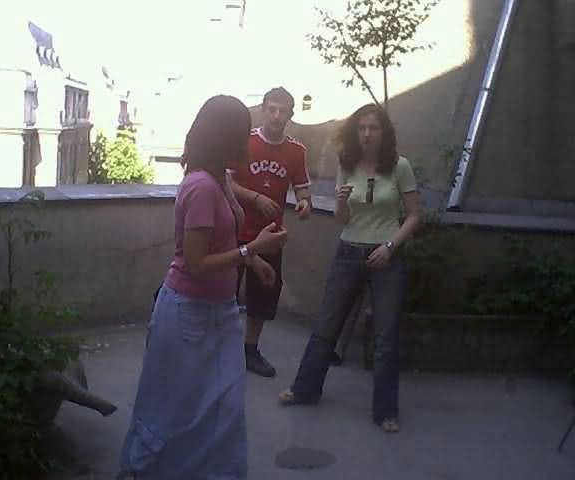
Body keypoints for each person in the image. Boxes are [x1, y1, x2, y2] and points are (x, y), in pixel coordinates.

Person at [118, 95, 288, 480]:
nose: (248, 140)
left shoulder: (220, 180)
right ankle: (148, 470)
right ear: (225, 136)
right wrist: (253, 249)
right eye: (242, 132)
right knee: (176, 406)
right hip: (189, 314)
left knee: (222, 407)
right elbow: (195, 264)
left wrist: (253, 261)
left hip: (219, 311)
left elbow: (220, 242)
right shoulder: (201, 187)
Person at [278, 103, 422, 434]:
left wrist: (390, 247)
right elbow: (342, 220)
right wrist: (341, 202)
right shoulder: (347, 165)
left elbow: (415, 215)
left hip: (386, 256)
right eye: (362, 128)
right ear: (355, 132)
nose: (367, 134)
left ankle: (385, 411)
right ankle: (305, 389)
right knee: (326, 326)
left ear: (384, 132)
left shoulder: (399, 166)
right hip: (348, 252)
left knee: (385, 337)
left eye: (374, 128)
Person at [230, 87, 312, 377]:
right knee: (224, 291)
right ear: (263, 110)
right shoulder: (244, 141)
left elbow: (302, 191)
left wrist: (303, 204)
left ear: (291, 114)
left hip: (270, 235)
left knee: (263, 296)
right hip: (236, 231)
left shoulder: (297, 151)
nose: (277, 116)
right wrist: (254, 198)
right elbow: (226, 183)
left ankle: (250, 350)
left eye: (283, 111)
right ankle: (220, 346)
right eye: (272, 109)